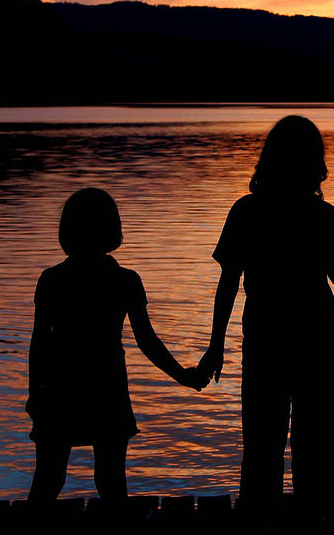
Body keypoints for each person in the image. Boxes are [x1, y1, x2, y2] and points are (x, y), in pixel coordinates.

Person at [195, 115, 334, 517]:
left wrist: (216, 345)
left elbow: (228, 285)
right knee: (317, 448)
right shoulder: (323, 216)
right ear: (316, 162)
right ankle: (319, 519)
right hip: (315, 343)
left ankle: (261, 520)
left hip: (266, 342)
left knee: (262, 446)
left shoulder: (247, 211)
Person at [26, 187, 200, 502]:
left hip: (59, 390)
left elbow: (39, 345)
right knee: (110, 481)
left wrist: (34, 394)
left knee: (49, 479)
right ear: (112, 230)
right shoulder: (125, 280)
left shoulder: (52, 280)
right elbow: (147, 341)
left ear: (68, 230)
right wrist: (182, 375)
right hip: (106, 390)